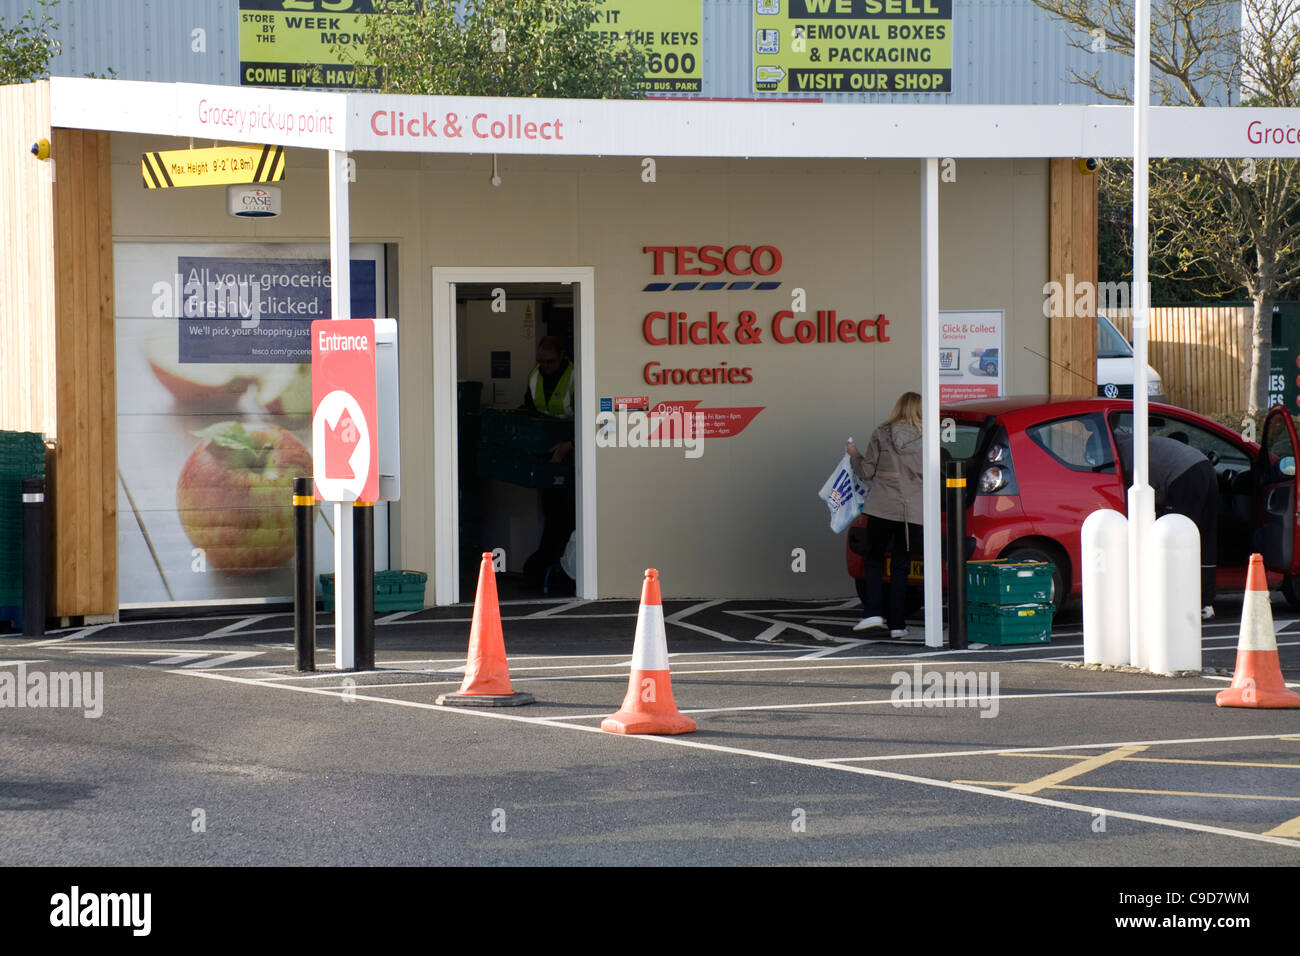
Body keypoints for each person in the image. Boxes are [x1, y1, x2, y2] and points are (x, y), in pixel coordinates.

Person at [1113, 431, 1218, 619]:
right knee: (1203, 535)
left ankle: (1177, 598)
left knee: (1177, 539)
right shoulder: (1137, 442)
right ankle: (1205, 602)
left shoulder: (1123, 455)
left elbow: (1133, 494)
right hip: (1202, 465)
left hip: (1183, 476)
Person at [846, 391, 924, 637]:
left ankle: (872, 613)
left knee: (874, 560)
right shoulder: (930, 437)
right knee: (902, 566)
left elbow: (866, 472)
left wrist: (853, 455)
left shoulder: (882, 433)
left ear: (898, 407)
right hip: (912, 512)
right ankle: (898, 625)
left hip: (881, 508)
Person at [521, 336, 576, 587]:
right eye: (541, 361)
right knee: (552, 514)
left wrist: (570, 446)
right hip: (548, 456)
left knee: (568, 515)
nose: (545, 366)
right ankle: (546, 568)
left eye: (550, 362)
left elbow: (590, 420)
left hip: (573, 454)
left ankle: (561, 569)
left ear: (562, 356)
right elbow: (530, 410)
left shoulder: (576, 377)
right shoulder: (535, 377)